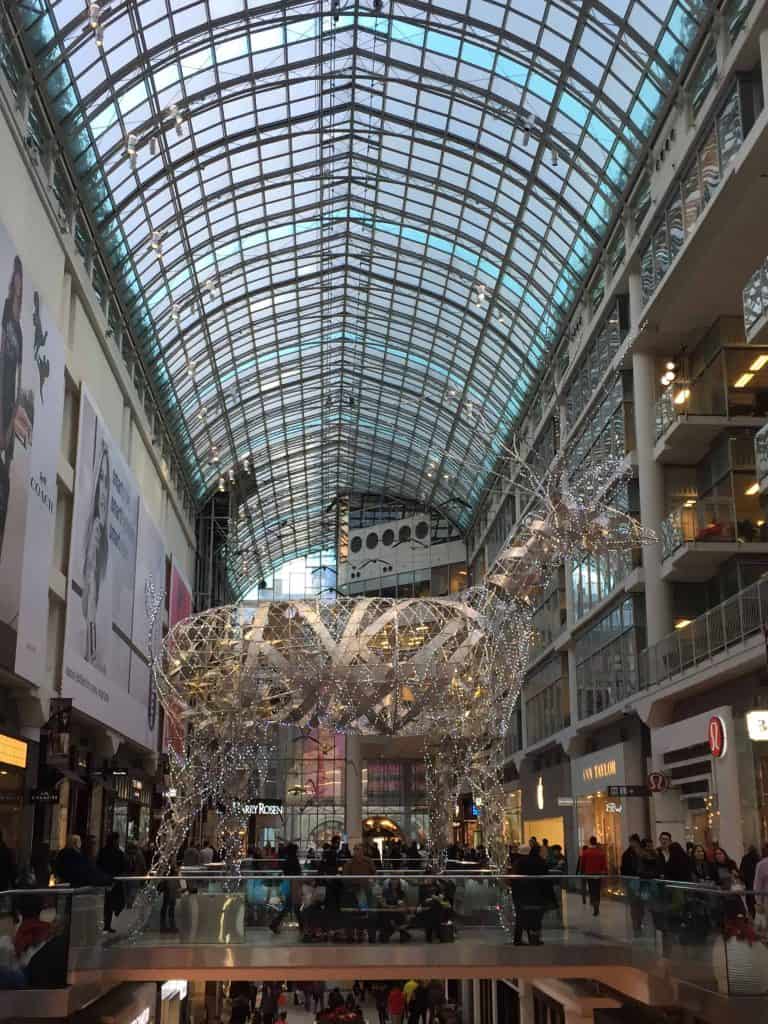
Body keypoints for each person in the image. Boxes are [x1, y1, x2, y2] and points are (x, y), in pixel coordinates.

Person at [0, 256, 30, 561]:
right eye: (15, 290)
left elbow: (19, 377)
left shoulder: (19, 332)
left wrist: (10, 422)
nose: (17, 297)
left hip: (7, 402)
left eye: (22, 294)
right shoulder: (4, 319)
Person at [81, 442, 110, 666]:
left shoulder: (103, 537)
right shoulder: (92, 527)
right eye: (100, 479)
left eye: (106, 481)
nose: (103, 490)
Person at [511, 843, 548, 945]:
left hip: (519, 893)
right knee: (532, 916)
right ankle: (532, 938)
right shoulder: (535, 862)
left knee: (521, 916)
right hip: (532, 893)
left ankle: (519, 939)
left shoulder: (518, 862)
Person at [270, 842, 302, 934]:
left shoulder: (287, 860)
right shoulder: (294, 860)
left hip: (288, 884)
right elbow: (297, 873)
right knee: (294, 906)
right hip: (293, 885)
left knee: (291, 906)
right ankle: (302, 926)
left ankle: (275, 924)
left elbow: (285, 870)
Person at [98, 831, 126, 933]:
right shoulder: (117, 852)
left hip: (109, 880)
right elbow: (123, 866)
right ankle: (108, 924)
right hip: (113, 880)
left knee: (109, 903)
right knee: (112, 902)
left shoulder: (104, 851)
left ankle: (107, 924)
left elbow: (99, 865)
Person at [579, 836, 607, 916]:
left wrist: (582, 872)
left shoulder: (586, 852)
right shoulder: (601, 852)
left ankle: (594, 904)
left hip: (589, 874)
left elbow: (583, 864)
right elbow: (604, 865)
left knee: (591, 889)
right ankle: (597, 905)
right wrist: (605, 872)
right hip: (598, 874)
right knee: (597, 890)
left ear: (590, 842)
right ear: (596, 842)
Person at [124, 839, 147, 909]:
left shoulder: (126, 854)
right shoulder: (138, 854)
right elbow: (143, 867)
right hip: (133, 877)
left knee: (129, 892)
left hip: (129, 877)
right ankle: (129, 904)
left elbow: (143, 867)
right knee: (132, 892)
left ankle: (129, 904)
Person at [740, 844, 760, 916]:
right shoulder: (758, 858)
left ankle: (753, 915)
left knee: (750, 903)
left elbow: (741, 872)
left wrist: (743, 880)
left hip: (749, 883)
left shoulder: (745, 858)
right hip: (757, 883)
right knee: (757, 902)